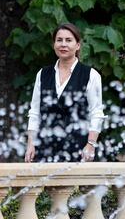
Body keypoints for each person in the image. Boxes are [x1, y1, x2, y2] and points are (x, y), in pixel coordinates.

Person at [24, 23, 105, 162]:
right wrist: (31, 144)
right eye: (59, 40)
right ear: (54, 44)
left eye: (68, 40)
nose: (63, 44)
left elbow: (96, 113)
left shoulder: (91, 75)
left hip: (78, 146)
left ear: (77, 45)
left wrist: (90, 144)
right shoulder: (42, 74)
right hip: (45, 145)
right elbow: (35, 112)